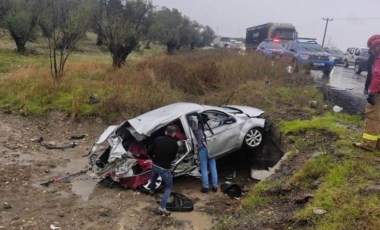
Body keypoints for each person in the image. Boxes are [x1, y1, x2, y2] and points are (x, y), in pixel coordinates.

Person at [354, 34, 380, 151]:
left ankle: (368, 144)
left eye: (371, 48)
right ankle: (377, 144)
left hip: (378, 93)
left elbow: (378, 76)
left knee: (372, 117)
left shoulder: (379, 58)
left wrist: (371, 92)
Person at [147, 125, 178, 215]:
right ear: (174, 134)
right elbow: (173, 158)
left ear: (165, 132)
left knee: (154, 176)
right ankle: (162, 207)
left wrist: (154, 157)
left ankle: (151, 191)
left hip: (155, 164)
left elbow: (149, 151)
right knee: (168, 187)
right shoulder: (174, 144)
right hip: (165, 168)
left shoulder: (157, 139)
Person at [190, 116, 218, 193]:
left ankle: (205, 187)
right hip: (211, 148)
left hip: (202, 150)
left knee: (204, 168)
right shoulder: (209, 130)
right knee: (213, 167)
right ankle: (215, 186)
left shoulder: (195, 131)